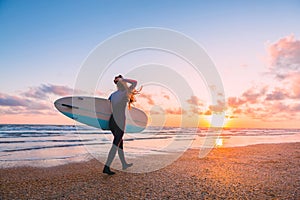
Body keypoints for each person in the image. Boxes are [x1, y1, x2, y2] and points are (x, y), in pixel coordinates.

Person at [103, 75, 137, 175]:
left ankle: (124, 164)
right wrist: (123, 79)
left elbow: (106, 108)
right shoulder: (125, 93)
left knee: (119, 142)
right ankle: (106, 167)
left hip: (112, 121)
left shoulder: (112, 95)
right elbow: (135, 82)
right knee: (115, 144)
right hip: (120, 121)